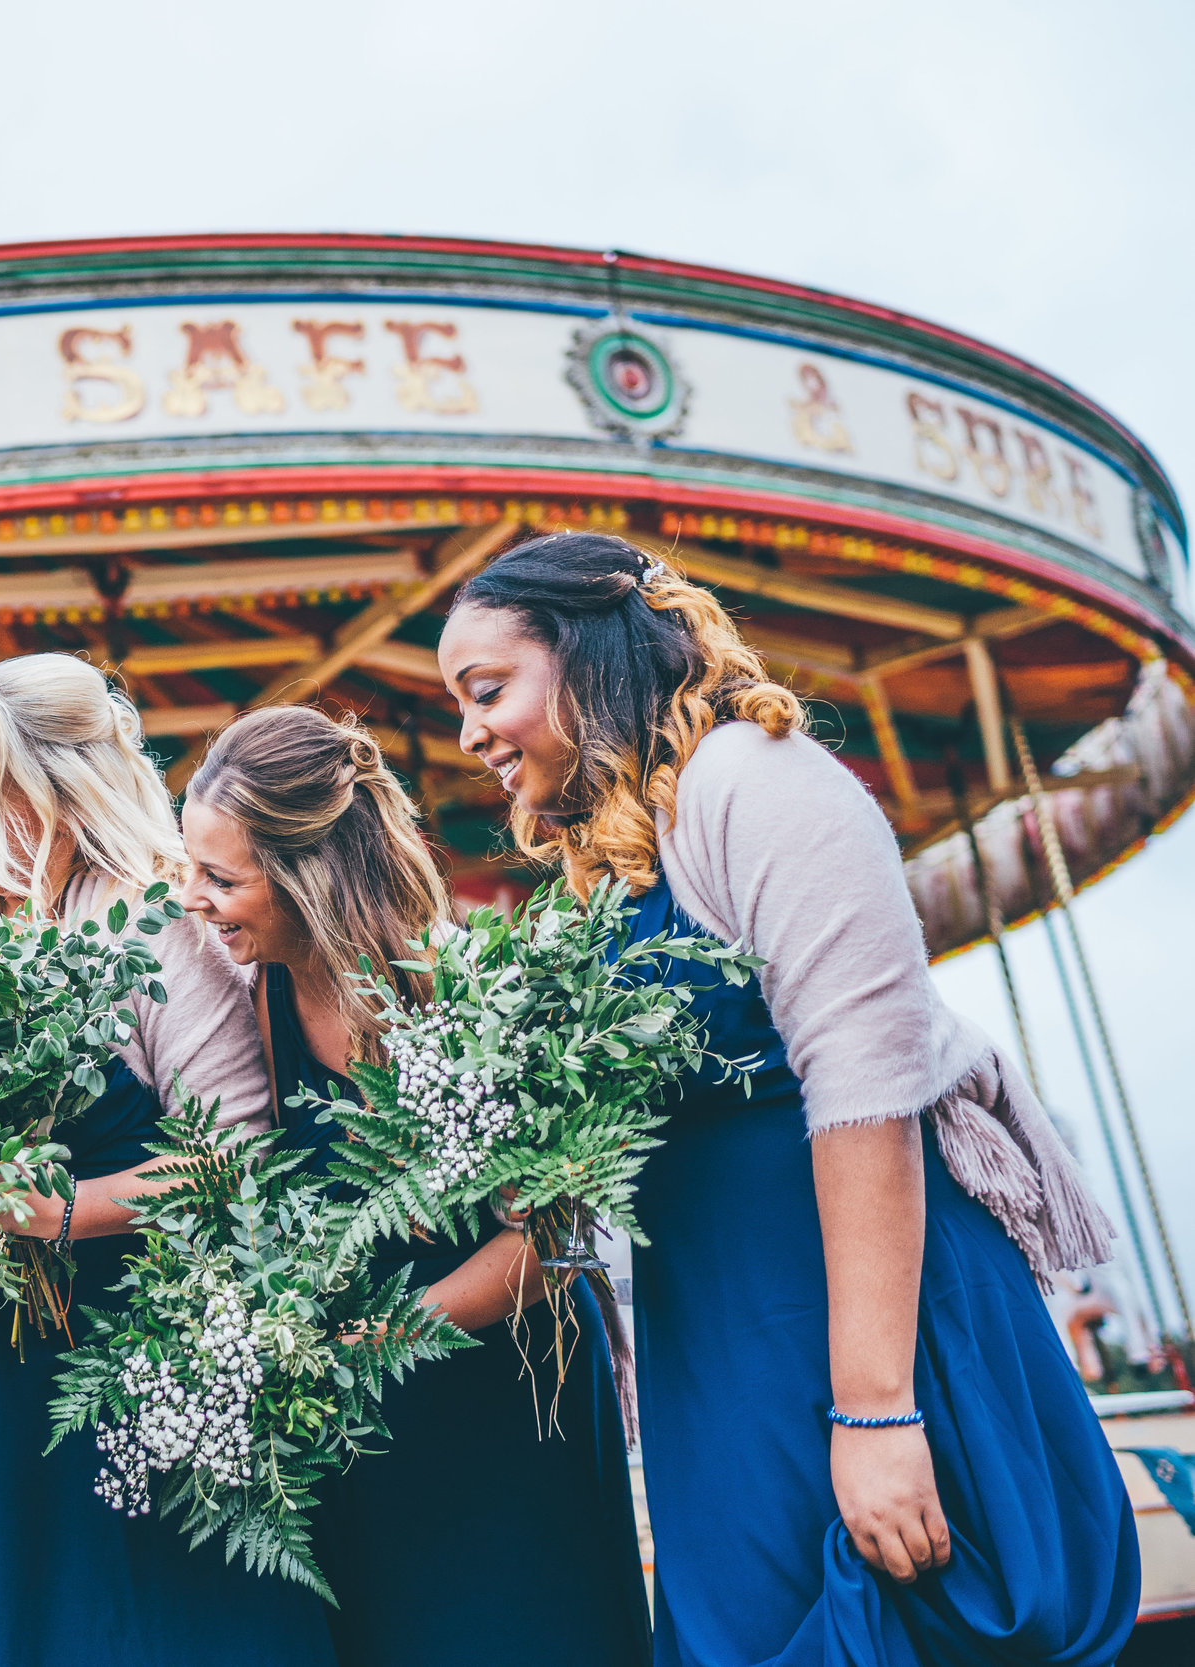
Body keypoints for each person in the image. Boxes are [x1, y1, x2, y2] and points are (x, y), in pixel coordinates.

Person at [436, 530, 1138, 1665]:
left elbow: (865, 1086)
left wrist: (874, 1411)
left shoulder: (751, 777)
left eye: (487, 689)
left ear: (586, 652)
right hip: (718, 1329)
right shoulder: (621, 861)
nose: (470, 733)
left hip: (850, 1314)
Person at [180, 703, 650, 1666]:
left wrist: (380, 1336)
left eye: (220, 877)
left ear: (305, 872)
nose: (192, 897)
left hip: (512, 1410)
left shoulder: (454, 984)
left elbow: (555, 1239)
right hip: (374, 1429)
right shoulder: (270, 990)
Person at [0, 654, 334, 1667]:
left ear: (54, 784)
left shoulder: (154, 919)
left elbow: (236, 1152)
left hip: (147, 1351)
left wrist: (57, 1208)